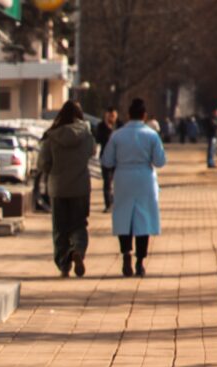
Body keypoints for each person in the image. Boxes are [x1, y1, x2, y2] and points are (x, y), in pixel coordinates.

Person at [102, 98, 167, 277]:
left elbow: (107, 160)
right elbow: (160, 161)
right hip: (145, 179)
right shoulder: (152, 135)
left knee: (124, 218)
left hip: (123, 178)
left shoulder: (117, 135)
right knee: (143, 220)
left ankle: (126, 255)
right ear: (144, 116)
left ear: (129, 115)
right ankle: (140, 262)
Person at [39, 100, 95, 278]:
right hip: (80, 187)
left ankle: (64, 263)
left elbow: (42, 163)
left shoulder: (52, 136)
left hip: (59, 188)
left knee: (60, 228)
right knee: (79, 224)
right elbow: (92, 152)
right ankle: (77, 249)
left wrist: (54, 171)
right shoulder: (86, 134)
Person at [94, 107, 120, 211]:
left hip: (119, 158)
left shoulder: (120, 125)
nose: (112, 118)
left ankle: (116, 202)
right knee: (107, 182)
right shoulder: (101, 126)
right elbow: (97, 139)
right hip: (106, 158)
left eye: (114, 116)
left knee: (118, 182)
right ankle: (108, 204)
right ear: (106, 115)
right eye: (110, 116)